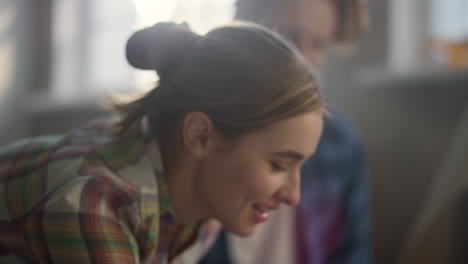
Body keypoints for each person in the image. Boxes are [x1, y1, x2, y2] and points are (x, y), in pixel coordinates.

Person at [0, 22, 325, 263]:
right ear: (200, 135)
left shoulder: (206, 205)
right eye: (279, 165)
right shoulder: (95, 203)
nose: (293, 195)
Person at [199, 0, 372, 263]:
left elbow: (352, 254)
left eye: (318, 44)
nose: (301, 58)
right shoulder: (201, 132)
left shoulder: (340, 144)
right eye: (286, 37)